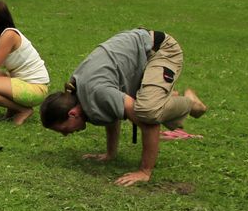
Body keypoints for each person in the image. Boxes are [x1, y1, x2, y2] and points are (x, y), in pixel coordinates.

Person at [39, 29, 207, 186]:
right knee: (147, 107)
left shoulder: (96, 91)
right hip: (141, 57)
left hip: (160, 50)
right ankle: (166, 99)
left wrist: (144, 171)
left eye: (62, 129)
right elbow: (110, 111)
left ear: (73, 113)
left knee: (147, 111)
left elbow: (149, 124)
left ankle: (189, 103)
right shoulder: (79, 93)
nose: (65, 134)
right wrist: (110, 154)